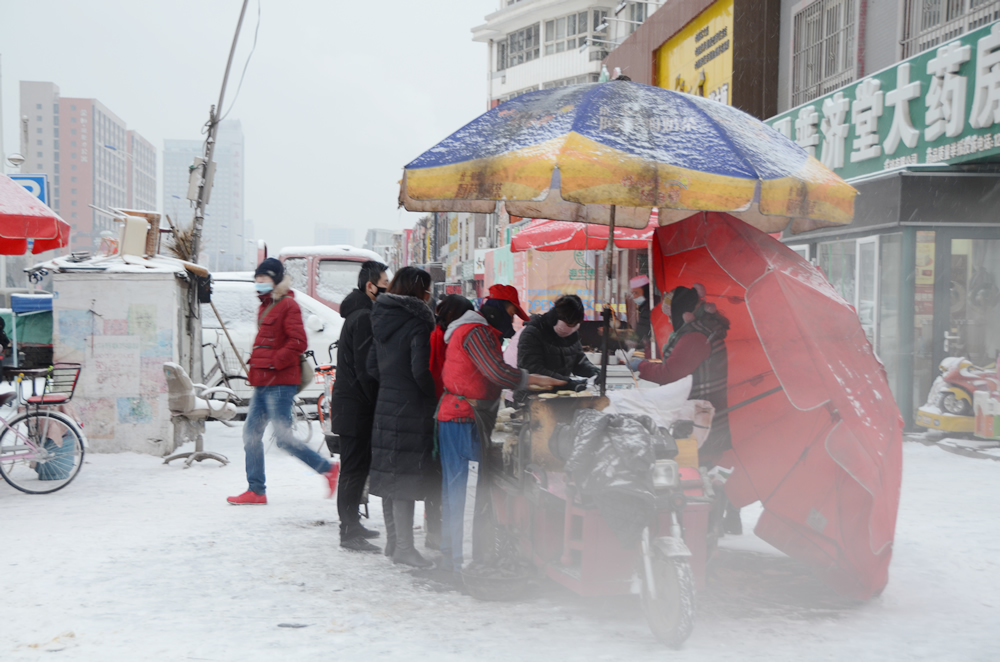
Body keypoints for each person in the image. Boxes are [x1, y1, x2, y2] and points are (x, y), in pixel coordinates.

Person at [437, 284, 565, 572]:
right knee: (466, 493)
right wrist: (535, 380)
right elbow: (495, 371)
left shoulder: (474, 329)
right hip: (462, 418)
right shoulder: (477, 331)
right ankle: (464, 564)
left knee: (456, 491)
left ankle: (452, 557)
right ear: (494, 309)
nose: (511, 321)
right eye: (510, 313)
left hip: (457, 416)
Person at [627, 285, 740, 534]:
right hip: (706, 411)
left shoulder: (696, 337)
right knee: (705, 468)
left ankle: (704, 526)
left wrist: (641, 366)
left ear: (682, 312)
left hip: (701, 416)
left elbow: (671, 373)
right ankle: (711, 523)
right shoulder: (701, 331)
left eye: (671, 313)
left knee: (701, 470)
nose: (669, 317)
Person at [228, 258, 339, 505]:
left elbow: (298, 341)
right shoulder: (266, 306)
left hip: (279, 382)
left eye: (264, 279)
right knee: (250, 434)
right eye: (257, 279)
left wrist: (274, 362)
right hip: (264, 381)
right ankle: (256, 490)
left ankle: (328, 469)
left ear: (276, 280)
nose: (259, 283)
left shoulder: (288, 305)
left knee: (283, 438)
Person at [367, 266, 438, 568]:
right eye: (428, 289)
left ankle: (394, 542)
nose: (430, 295)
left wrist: (390, 384)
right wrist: (432, 395)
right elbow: (420, 369)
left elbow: (371, 365)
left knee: (391, 477)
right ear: (419, 290)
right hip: (410, 406)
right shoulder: (418, 321)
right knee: (405, 479)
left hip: (386, 403)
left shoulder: (381, 316)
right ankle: (405, 549)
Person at [330, 259, 389, 552]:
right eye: (384, 286)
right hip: (356, 407)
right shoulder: (364, 317)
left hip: (351, 404)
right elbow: (367, 370)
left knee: (355, 467)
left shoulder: (357, 314)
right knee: (353, 469)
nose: (387, 291)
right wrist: (378, 401)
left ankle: (352, 522)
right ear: (370, 286)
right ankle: (348, 531)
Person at [517, 294, 599, 386]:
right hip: (532, 396)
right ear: (555, 318)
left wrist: (594, 372)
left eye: (575, 324)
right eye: (568, 324)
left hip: (559, 396)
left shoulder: (572, 334)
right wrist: (567, 382)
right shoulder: (533, 333)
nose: (571, 328)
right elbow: (532, 370)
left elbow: (578, 362)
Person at [629, 275, 653, 346]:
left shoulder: (649, 308)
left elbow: (639, 334)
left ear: (646, 291)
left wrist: (613, 333)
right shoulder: (644, 307)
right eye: (633, 293)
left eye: (636, 293)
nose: (634, 296)